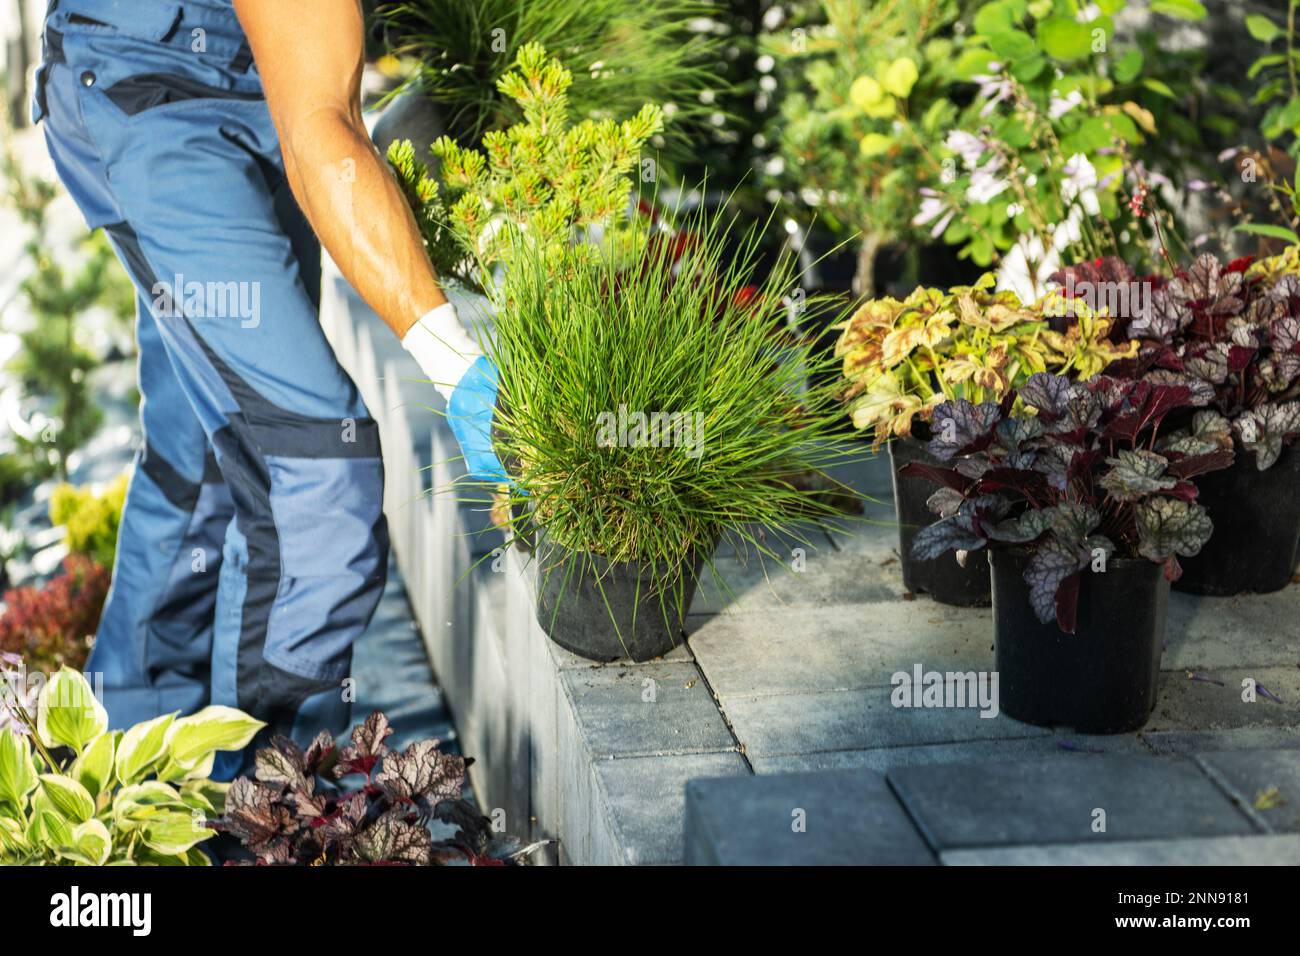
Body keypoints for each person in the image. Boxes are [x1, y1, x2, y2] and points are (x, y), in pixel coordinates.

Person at [30, 0, 502, 774]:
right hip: (148, 95)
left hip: (260, 84)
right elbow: (325, 125)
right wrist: (455, 364)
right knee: (316, 478)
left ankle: (120, 777)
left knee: (206, 459)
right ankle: (261, 810)